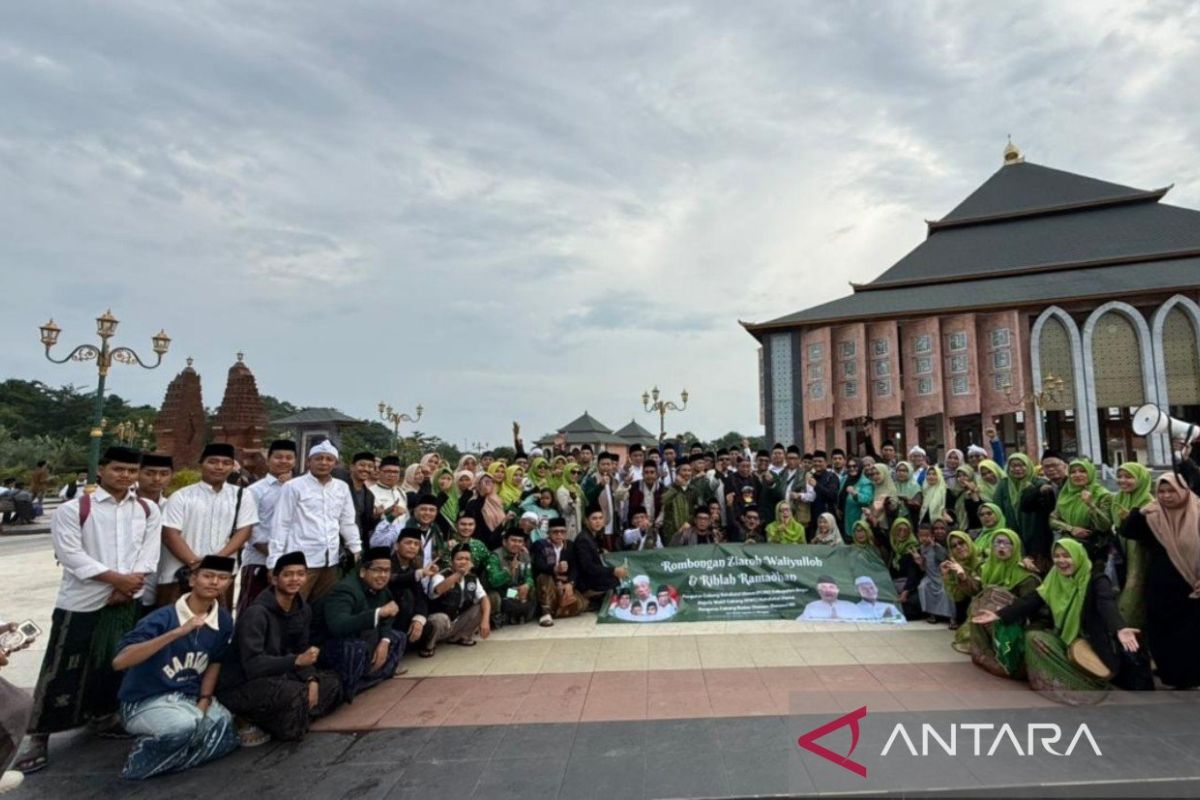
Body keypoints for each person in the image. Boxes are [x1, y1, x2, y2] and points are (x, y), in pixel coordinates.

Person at [15, 446, 161, 775]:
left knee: (113, 662)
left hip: (127, 599)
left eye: (131, 470)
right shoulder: (74, 509)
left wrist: (129, 585)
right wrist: (116, 581)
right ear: (101, 470)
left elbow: (149, 552)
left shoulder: (147, 509)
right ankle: (39, 736)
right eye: (118, 469)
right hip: (81, 600)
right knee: (63, 668)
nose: (125, 475)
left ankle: (103, 716)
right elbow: (70, 555)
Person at [973, 539, 1151, 705]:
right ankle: (1054, 680)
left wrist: (1120, 628)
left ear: (1078, 556)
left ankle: (1080, 684)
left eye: (1067, 556)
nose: (1061, 561)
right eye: (1056, 556)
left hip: (1089, 646)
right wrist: (999, 615)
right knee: (1033, 638)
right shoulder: (1054, 578)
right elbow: (1032, 600)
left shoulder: (1096, 580)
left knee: (1037, 639)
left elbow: (1107, 604)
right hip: (1064, 639)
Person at [111, 555, 239, 780]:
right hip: (144, 700)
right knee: (185, 726)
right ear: (192, 580)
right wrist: (177, 632)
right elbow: (120, 661)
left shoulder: (223, 620)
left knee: (224, 727)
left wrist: (204, 699)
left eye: (222, 578)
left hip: (187, 698)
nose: (214, 582)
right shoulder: (162, 618)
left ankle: (172, 758)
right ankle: (139, 763)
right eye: (208, 576)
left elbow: (215, 662)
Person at [216, 552, 341, 744]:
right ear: (274, 579)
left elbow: (302, 650)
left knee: (332, 683)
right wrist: (295, 661)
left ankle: (293, 715)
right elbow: (253, 664)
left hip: (280, 675)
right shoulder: (256, 614)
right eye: (288, 574)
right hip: (244, 683)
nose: (295, 579)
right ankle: (256, 719)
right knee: (296, 694)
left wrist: (311, 678)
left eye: (300, 574)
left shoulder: (303, 609)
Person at [1118, 474, 1200, 689]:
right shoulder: (1153, 516)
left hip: (1192, 585)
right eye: (1161, 492)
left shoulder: (1197, 512)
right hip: (1161, 586)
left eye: (1171, 491)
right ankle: (1171, 675)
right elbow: (1127, 530)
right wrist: (1140, 511)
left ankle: (1192, 676)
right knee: (1162, 633)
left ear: (1184, 491)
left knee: (1191, 634)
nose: (1166, 496)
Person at [158, 443, 259, 607]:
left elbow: (244, 531)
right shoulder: (181, 496)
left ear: (232, 466)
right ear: (201, 463)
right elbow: (170, 534)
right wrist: (194, 563)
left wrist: (214, 563)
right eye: (213, 461)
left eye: (226, 463)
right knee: (176, 618)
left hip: (222, 575)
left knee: (217, 618)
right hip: (182, 574)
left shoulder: (242, 496)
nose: (219, 467)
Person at [269, 441, 362, 602]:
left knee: (324, 606)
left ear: (336, 463)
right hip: (301, 560)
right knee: (293, 603)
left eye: (329, 459)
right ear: (308, 461)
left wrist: (356, 548)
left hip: (331, 560)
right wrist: (274, 561)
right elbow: (281, 524)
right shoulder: (293, 486)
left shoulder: (342, 487)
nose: (324, 463)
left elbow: (347, 522)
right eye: (318, 458)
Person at [312, 546, 404, 698]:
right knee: (356, 648)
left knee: (398, 637)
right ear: (362, 571)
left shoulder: (382, 588)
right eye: (377, 570)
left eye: (387, 571)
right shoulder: (345, 590)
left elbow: (390, 614)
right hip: (330, 645)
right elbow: (338, 626)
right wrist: (378, 613)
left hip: (362, 636)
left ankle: (363, 680)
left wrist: (384, 641)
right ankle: (348, 687)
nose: (383, 575)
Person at [965, 530, 1041, 679]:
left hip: (1014, 623)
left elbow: (1032, 609)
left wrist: (1001, 611)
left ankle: (1005, 658)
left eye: (1007, 543)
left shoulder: (1026, 576)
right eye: (997, 542)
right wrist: (961, 577)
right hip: (988, 618)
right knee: (979, 606)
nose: (1001, 547)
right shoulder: (986, 568)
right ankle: (985, 653)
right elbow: (975, 591)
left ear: (1016, 546)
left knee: (991, 606)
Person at [237, 439, 296, 615]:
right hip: (259, 560)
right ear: (268, 459)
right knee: (253, 610)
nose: (284, 461)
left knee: (283, 612)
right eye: (278, 457)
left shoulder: (299, 488)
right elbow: (250, 529)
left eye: (289, 458)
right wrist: (274, 554)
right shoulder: (255, 490)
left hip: (291, 562)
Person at [425, 544, 491, 655]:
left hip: (456, 622)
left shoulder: (472, 578)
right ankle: (428, 646)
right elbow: (438, 590)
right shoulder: (441, 575)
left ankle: (460, 637)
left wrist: (485, 621)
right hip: (439, 623)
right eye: (459, 559)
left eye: (467, 559)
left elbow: (484, 598)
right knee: (440, 618)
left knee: (481, 607)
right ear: (451, 561)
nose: (463, 562)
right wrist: (459, 574)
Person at [1110, 462, 1153, 630]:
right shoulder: (1118, 499)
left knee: (1134, 595)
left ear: (1140, 479)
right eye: (1119, 476)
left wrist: (1133, 520)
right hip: (1121, 553)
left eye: (1129, 477)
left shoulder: (1149, 503)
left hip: (1140, 555)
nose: (1122, 480)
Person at [1050, 459, 1113, 566]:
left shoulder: (1103, 495)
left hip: (1095, 549)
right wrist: (1071, 529)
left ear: (1090, 473)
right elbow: (1052, 520)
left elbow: (1104, 526)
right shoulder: (1066, 493)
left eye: (1082, 471)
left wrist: (1090, 504)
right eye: (1073, 472)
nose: (1077, 475)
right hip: (1068, 547)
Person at [388, 529, 439, 660]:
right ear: (396, 546)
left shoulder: (413, 566)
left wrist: (419, 619)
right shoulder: (387, 563)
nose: (412, 547)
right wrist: (420, 573)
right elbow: (393, 579)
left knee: (433, 624)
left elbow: (421, 597)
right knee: (406, 595)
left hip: (406, 618)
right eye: (408, 543)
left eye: (416, 544)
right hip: (389, 618)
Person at [135, 453, 175, 615]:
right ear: (138, 473)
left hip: (161, 577)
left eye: (164, 474)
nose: (157, 479)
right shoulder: (124, 505)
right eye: (150, 473)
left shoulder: (172, 507)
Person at [530, 517, 587, 626]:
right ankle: (546, 613)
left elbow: (575, 567)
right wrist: (555, 569)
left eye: (562, 532)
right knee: (544, 577)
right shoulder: (540, 545)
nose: (559, 534)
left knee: (580, 605)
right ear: (548, 533)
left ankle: (555, 610)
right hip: (547, 584)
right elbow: (538, 566)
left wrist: (570, 583)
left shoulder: (569, 545)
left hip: (564, 584)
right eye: (555, 532)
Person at [574, 504, 630, 607]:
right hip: (585, 580)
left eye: (600, 518)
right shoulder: (583, 539)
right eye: (594, 519)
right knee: (615, 581)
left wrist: (601, 551)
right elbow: (588, 567)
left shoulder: (593, 536)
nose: (598, 521)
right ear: (586, 521)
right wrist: (613, 570)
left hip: (592, 575)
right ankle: (587, 596)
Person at [483, 529, 536, 627]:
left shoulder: (525, 556)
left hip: (515, 591)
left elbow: (529, 577)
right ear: (504, 542)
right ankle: (499, 618)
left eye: (520, 541)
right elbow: (493, 581)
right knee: (495, 597)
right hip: (500, 591)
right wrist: (508, 572)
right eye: (513, 540)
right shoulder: (495, 556)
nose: (517, 544)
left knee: (532, 590)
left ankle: (520, 614)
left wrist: (527, 585)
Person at [943, 531, 983, 634]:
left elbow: (978, 592)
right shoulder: (956, 565)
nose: (958, 547)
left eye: (961, 543)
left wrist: (964, 578)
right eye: (954, 546)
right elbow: (957, 597)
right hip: (966, 614)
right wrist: (947, 576)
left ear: (968, 542)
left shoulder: (983, 561)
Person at [915, 523, 955, 624]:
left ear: (932, 536)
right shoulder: (922, 548)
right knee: (923, 587)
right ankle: (932, 614)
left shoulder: (937, 547)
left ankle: (952, 618)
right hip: (929, 576)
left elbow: (943, 559)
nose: (924, 538)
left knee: (945, 591)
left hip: (941, 576)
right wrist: (920, 563)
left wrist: (935, 547)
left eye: (926, 535)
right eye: (921, 536)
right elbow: (923, 568)